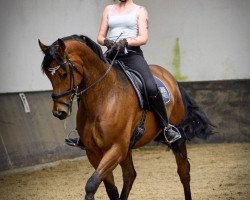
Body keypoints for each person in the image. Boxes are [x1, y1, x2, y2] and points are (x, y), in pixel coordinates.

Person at [65, 0, 182, 148]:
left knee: (151, 86)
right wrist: (106, 41)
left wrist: (126, 42)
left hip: (132, 55)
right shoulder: (109, 9)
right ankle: (82, 133)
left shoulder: (140, 10)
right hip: (111, 54)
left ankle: (166, 127)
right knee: (86, 86)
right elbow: (100, 37)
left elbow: (143, 38)